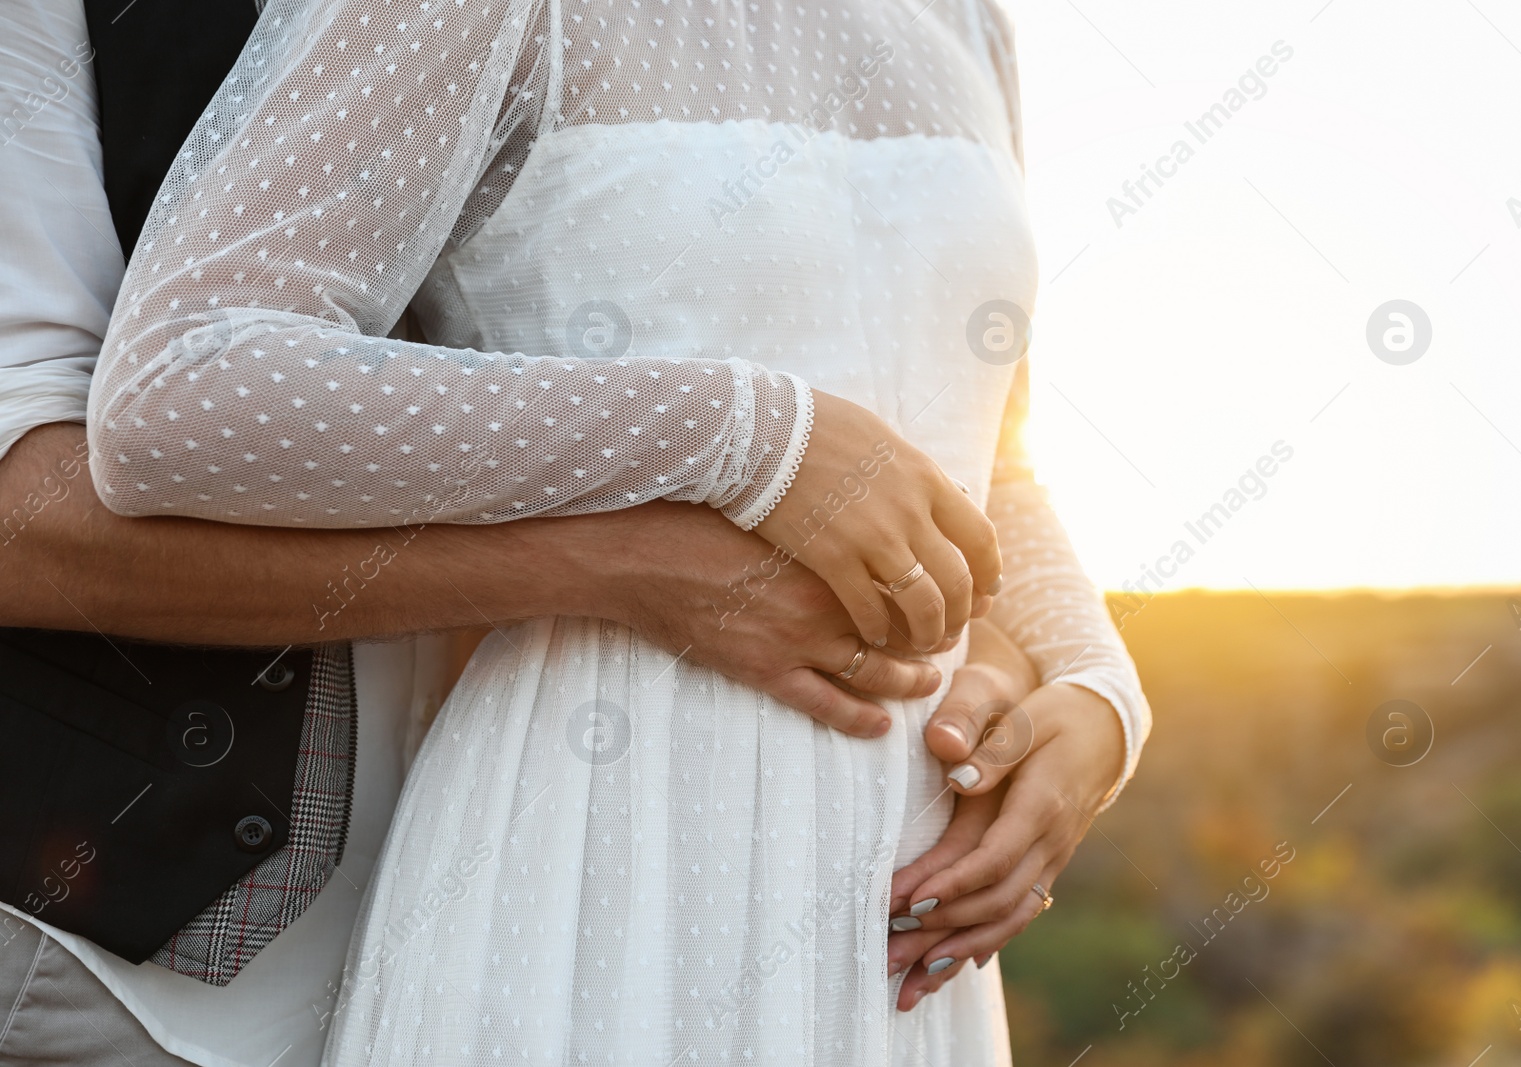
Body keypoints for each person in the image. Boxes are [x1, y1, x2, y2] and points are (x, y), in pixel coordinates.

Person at [0, 2, 1140, 1065]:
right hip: (594, 850)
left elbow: (985, 440)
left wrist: (1091, 677)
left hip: (901, 917)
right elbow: (179, 394)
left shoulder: (969, 22)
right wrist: (737, 430)